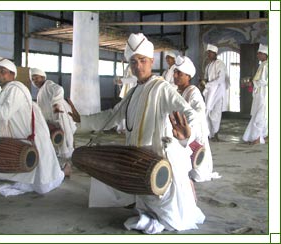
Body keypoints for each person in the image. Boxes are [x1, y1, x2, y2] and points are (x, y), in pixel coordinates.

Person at [68, 33, 205, 234]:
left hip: (157, 157)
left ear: (151, 61)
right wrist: (83, 120)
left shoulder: (162, 88)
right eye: (133, 61)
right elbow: (112, 115)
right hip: (137, 158)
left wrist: (186, 133)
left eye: (142, 60)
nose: (138, 66)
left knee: (170, 215)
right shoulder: (133, 91)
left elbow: (189, 112)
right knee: (143, 199)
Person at [0, 59, 69, 196]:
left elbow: (4, 113)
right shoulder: (7, 90)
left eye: (3, 72)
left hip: (35, 136)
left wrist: (56, 105)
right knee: (29, 178)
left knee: (43, 185)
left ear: (12, 74)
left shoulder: (15, 88)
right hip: (23, 138)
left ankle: (65, 171)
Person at [173, 55, 221, 182]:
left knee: (199, 172)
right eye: (175, 72)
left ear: (188, 76)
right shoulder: (177, 91)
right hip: (182, 132)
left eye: (179, 73)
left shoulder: (193, 91)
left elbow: (199, 111)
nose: (175, 75)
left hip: (195, 132)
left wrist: (189, 128)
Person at [30, 68, 77, 170]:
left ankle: (68, 163)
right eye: (33, 79)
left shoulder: (48, 85)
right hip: (53, 120)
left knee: (66, 139)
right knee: (59, 141)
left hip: (60, 116)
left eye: (37, 78)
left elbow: (59, 89)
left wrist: (55, 104)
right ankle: (65, 164)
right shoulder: (40, 92)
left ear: (43, 77)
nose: (35, 81)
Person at [203, 44, 230, 142]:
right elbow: (206, 78)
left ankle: (216, 133)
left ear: (215, 53)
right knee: (207, 112)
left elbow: (221, 79)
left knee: (215, 114)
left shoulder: (220, 64)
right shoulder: (208, 66)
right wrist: (203, 82)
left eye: (210, 52)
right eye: (208, 52)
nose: (208, 54)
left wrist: (208, 84)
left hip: (218, 92)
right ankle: (209, 134)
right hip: (210, 93)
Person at [242, 44, 268, 145]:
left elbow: (265, 81)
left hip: (263, 94)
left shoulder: (266, 65)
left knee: (260, 116)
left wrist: (253, 83)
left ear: (264, 54)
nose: (257, 55)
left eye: (259, 54)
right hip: (259, 93)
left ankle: (258, 137)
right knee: (258, 115)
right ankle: (257, 137)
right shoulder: (262, 65)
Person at [114, 65, 137, 133]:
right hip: (126, 91)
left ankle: (128, 128)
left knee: (130, 111)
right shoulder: (128, 66)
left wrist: (122, 80)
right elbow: (127, 78)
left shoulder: (136, 65)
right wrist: (121, 81)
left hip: (132, 92)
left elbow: (134, 78)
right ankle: (122, 127)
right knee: (123, 110)